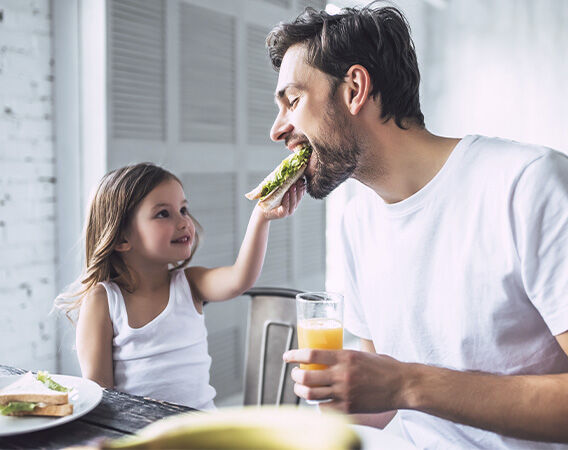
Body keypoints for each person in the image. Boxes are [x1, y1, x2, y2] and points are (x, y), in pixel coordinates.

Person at [267, 3, 568, 448]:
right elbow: (382, 403)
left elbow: (401, 387)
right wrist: (339, 393)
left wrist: (408, 383)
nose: (278, 130)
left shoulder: (528, 183)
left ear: (354, 88)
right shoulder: (358, 222)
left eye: (293, 101)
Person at [56, 163, 305, 410]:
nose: (184, 222)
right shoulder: (103, 300)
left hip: (201, 430)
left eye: (184, 209)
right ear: (122, 238)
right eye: (163, 213)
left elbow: (240, 278)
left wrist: (261, 216)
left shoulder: (190, 283)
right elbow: (101, 395)